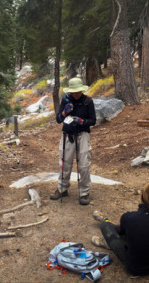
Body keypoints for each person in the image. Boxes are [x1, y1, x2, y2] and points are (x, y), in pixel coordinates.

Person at [92, 181, 149, 276]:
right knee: (133, 230)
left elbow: (121, 233)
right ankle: (106, 222)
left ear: (141, 196)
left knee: (105, 226)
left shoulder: (128, 217)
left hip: (135, 268)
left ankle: (106, 231)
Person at [50, 76, 96, 205]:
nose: (75, 94)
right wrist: (64, 113)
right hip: (67, 134)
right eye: (73, 92)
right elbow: (59, 120)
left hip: (83, 134)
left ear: (82, 90)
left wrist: (81, 121)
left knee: (84, 164)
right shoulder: (65, 100)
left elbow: (93, 120)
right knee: (64, 163)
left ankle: (84, 192)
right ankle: (62, 189)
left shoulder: (88, 101)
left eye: (77, 92)